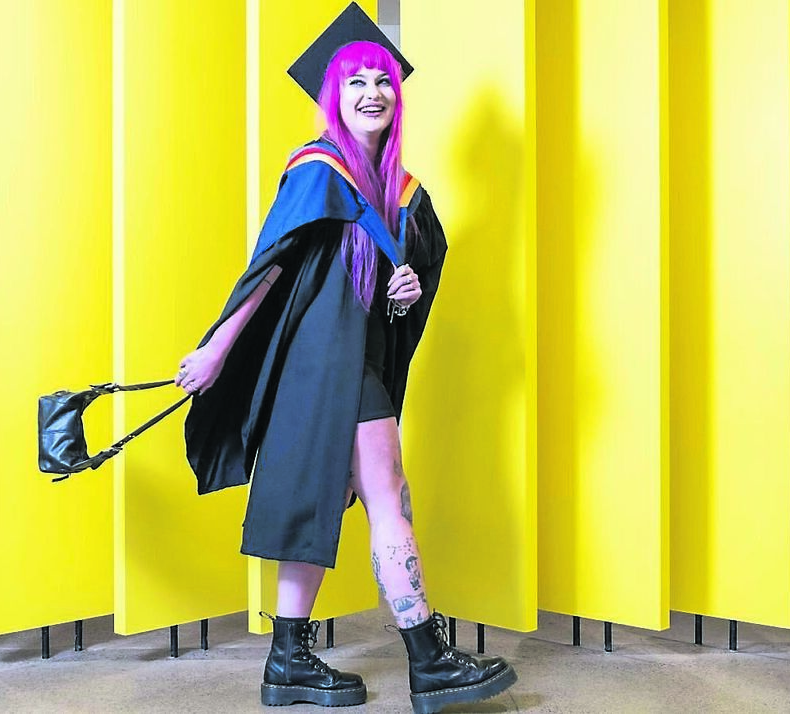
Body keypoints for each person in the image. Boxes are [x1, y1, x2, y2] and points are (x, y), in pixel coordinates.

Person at [175, 8, 516, 713]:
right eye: (356, 81)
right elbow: (269, 268)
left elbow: (391, 290)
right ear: (335, 97)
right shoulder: (317, 169)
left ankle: (287, 661)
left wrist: (404, 287)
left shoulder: (399, 191)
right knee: (388, 494)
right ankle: (429, 658)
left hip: (348, 359)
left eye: (382, 81)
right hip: (323, 363)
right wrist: (216, 347)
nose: (372, 92)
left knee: (331, 500)